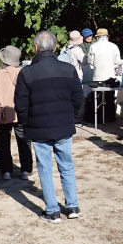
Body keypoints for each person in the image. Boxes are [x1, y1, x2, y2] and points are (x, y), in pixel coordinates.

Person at [14, 30, 83, 223]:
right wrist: (71, 117)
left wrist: (26, 123)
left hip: (38, 127)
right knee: (66, 165)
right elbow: (78, 97)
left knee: (45, 167)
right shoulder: (68, 69)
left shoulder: (26, 72)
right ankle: (72, 206)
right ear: (55, 47)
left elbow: (21, 103)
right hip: (63, 126)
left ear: (36, 49)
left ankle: (52, 211)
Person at [0, 46, 33, 181]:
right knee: (24, 141)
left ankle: (6, 171)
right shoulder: (24, 72)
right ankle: (26, 170)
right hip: (20, 111)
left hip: (3, 112)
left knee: (3, 142)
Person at [87, 28, 121, 123]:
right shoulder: (114, 46)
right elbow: (117, 61)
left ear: (97, 37)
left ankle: (98, 119)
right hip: (110, 77)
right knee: (110, 98)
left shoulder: (93, 46)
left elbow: (90, 61)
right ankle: (111, 118)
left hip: (97, 76)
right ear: (108, 37)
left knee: (97, 98)